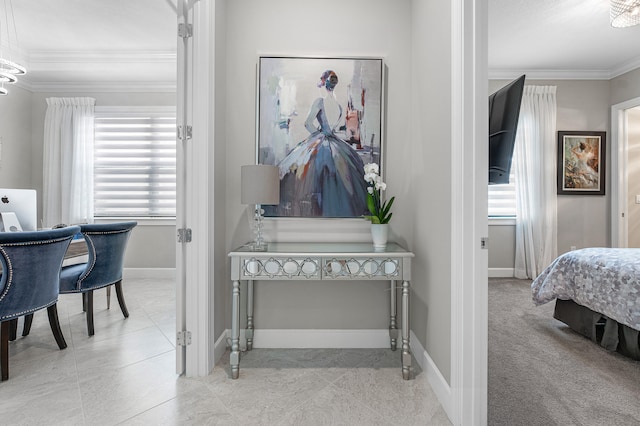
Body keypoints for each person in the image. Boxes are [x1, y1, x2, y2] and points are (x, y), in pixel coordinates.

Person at [275, 70, 367, 217]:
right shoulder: (338, 107)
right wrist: (324, 133)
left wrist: (318, 134)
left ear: (324, 82)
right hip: (333, 142)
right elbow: (331, 127)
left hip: (323, 139)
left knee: (315, 176)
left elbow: (307, 123)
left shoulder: (320, 102)